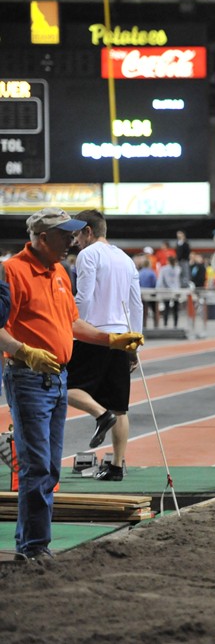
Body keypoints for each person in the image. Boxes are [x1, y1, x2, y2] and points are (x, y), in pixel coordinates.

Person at [0, 208, 142, 562]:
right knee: (37, 466)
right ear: (42, 237)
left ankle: (34, 544)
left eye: (74, 234)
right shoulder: (12, 271)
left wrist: (112, 341)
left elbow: (73, 323)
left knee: (50, 466)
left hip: (58, 378)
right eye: (65, 235)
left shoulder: (60, 272)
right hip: (28, 377)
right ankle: (34, 547)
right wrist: (23, 351)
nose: (72, 241)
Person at [67, 210, 143, 481]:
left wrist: (75, 327)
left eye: (76, 235)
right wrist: (135, 343)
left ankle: (100, 415)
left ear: (88, 231)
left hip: (95, 334)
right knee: (120, 406)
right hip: (122, 337)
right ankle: (116, 467)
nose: (75, 241)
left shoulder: (88, 255)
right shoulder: (126, 259)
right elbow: (136, 304)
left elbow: (84, 298)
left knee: (62, 388)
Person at [156, 255, 182, 328]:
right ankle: (175, 324)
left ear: (168, 261)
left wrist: (157, 289)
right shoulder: (178, 269)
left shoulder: (163, 269)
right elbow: (179, 280)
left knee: (166, 308)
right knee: (176, 309)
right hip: (176, 290)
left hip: (166, 290)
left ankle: (165, 324)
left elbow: (160, 280)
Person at [137, 253, 158, 330]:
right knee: (154, 309)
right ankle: (156, 324)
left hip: (142, 293)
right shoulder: (152, 273)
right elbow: (154, 283)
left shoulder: (139, 273)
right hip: (151, 293)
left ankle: (144, 324)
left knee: (143, 310)